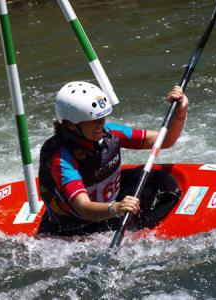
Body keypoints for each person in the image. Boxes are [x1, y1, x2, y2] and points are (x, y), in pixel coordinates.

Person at [37, 81, 187, 236]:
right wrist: (116, 208)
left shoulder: (110, 133)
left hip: (111, 202)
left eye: (102, 118)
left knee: (163, 182)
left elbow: (166, 139)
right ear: (71, 125)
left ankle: (143, 227)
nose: (101, 125)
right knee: (118, 218)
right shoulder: (61, 159)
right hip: (77, 224)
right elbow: (83, 207)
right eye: (94, 120)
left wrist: (180, 112)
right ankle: (136, 231)